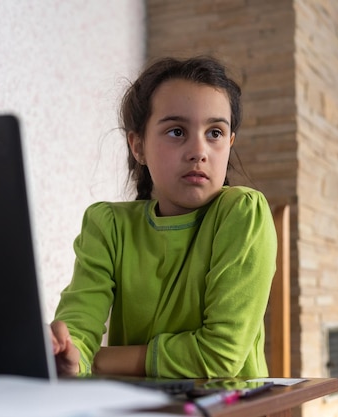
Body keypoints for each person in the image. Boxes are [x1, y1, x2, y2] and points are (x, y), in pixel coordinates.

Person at [50, 56, 277, 379]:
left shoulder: (244, 213)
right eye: (176, 131)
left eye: (214, 133)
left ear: (229, 143)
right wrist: (69, 353)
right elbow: (78, 331)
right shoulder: (108, 225)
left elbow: (219, 356)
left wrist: (97, 361)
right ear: (138, 146)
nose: (198, 151)